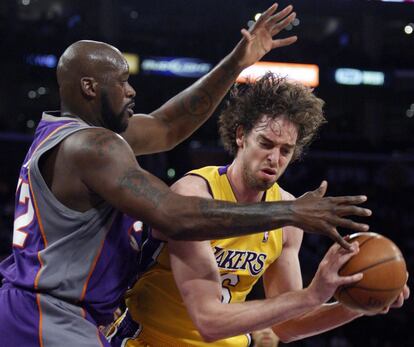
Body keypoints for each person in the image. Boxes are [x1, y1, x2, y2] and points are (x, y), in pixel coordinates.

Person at [0, 3, 372, 347]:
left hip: (61, 312)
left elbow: (167, 126)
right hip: (48, 314)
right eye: (122, 81)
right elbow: (175, 215)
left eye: (286, 150)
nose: (132, 91)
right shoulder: (93, 147)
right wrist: (292, 214)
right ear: (89, 88)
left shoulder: (85, 136)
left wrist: (237, 62)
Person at [107, 74, 409, 347]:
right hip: (149, 340)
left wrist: (357, 303)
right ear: (241, 136)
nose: (274, 158)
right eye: (265, 143)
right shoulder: (195, 193)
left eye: (285, 150)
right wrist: (312, 294)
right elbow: (208, 321)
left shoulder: (288, 219)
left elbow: (288, 326)